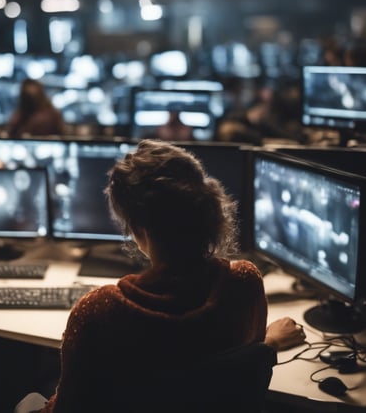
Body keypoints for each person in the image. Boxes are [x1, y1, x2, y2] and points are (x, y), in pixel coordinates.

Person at [36, 139, 306, 413]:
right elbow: (240, 364)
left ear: (139, 230)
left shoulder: (98, 311)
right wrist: (270, 343)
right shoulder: (244, 283)